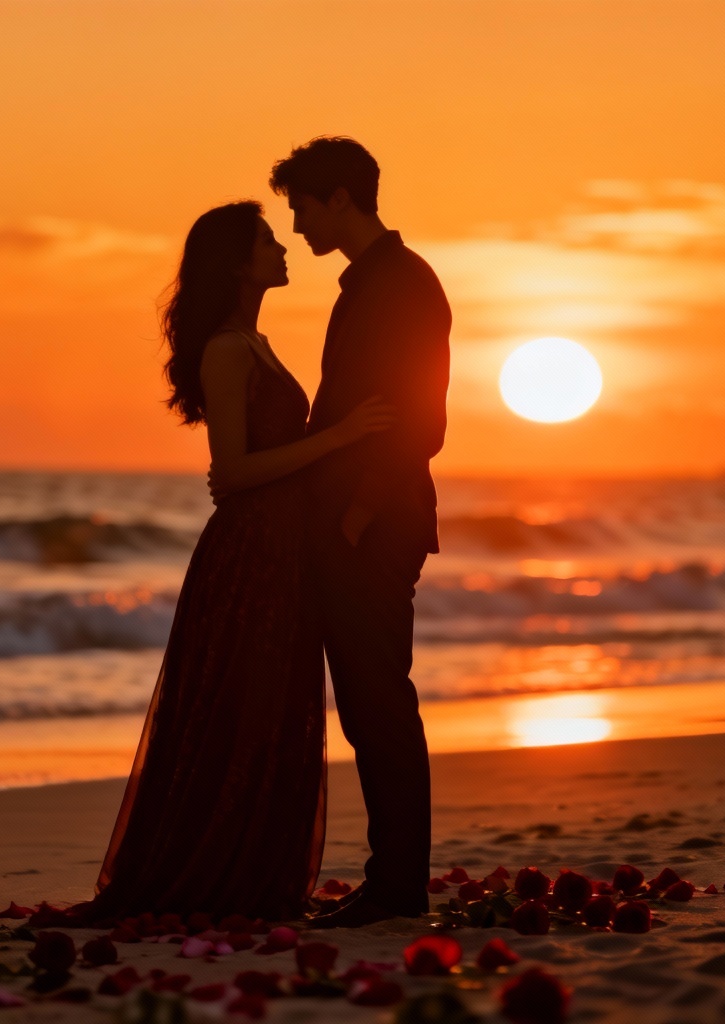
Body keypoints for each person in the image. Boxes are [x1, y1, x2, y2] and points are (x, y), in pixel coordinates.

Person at [75, 201, 393, 923]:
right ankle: (218, 876)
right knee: (240, 712)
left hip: (284, 549)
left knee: (276, 711)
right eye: (266, 241)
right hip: (248, 553)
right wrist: (339, 436)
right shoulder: (226, 348)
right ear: (236, 263)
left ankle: (255, 875)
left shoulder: (258, 341)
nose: (283, 249)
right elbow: (235, 472)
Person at [269, 137, 451, 927]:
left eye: (303, 206)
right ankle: (393, 880)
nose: (298, 223)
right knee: (370, 705)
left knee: (379, 704)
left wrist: (357, 512)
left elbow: (421, 420)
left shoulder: (402, 285)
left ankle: (398, 886)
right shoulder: (372, 283)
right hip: (359, 523)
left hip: (374, 525)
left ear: (341, 197)